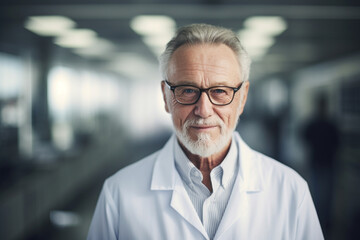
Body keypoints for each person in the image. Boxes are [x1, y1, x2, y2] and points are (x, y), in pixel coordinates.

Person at [87, 23, 323, 240]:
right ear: (166, 97)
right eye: (188, 90)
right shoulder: (118, 194)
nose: (203, 110)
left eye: (220, 91)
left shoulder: (290, 191)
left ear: (241, 98)